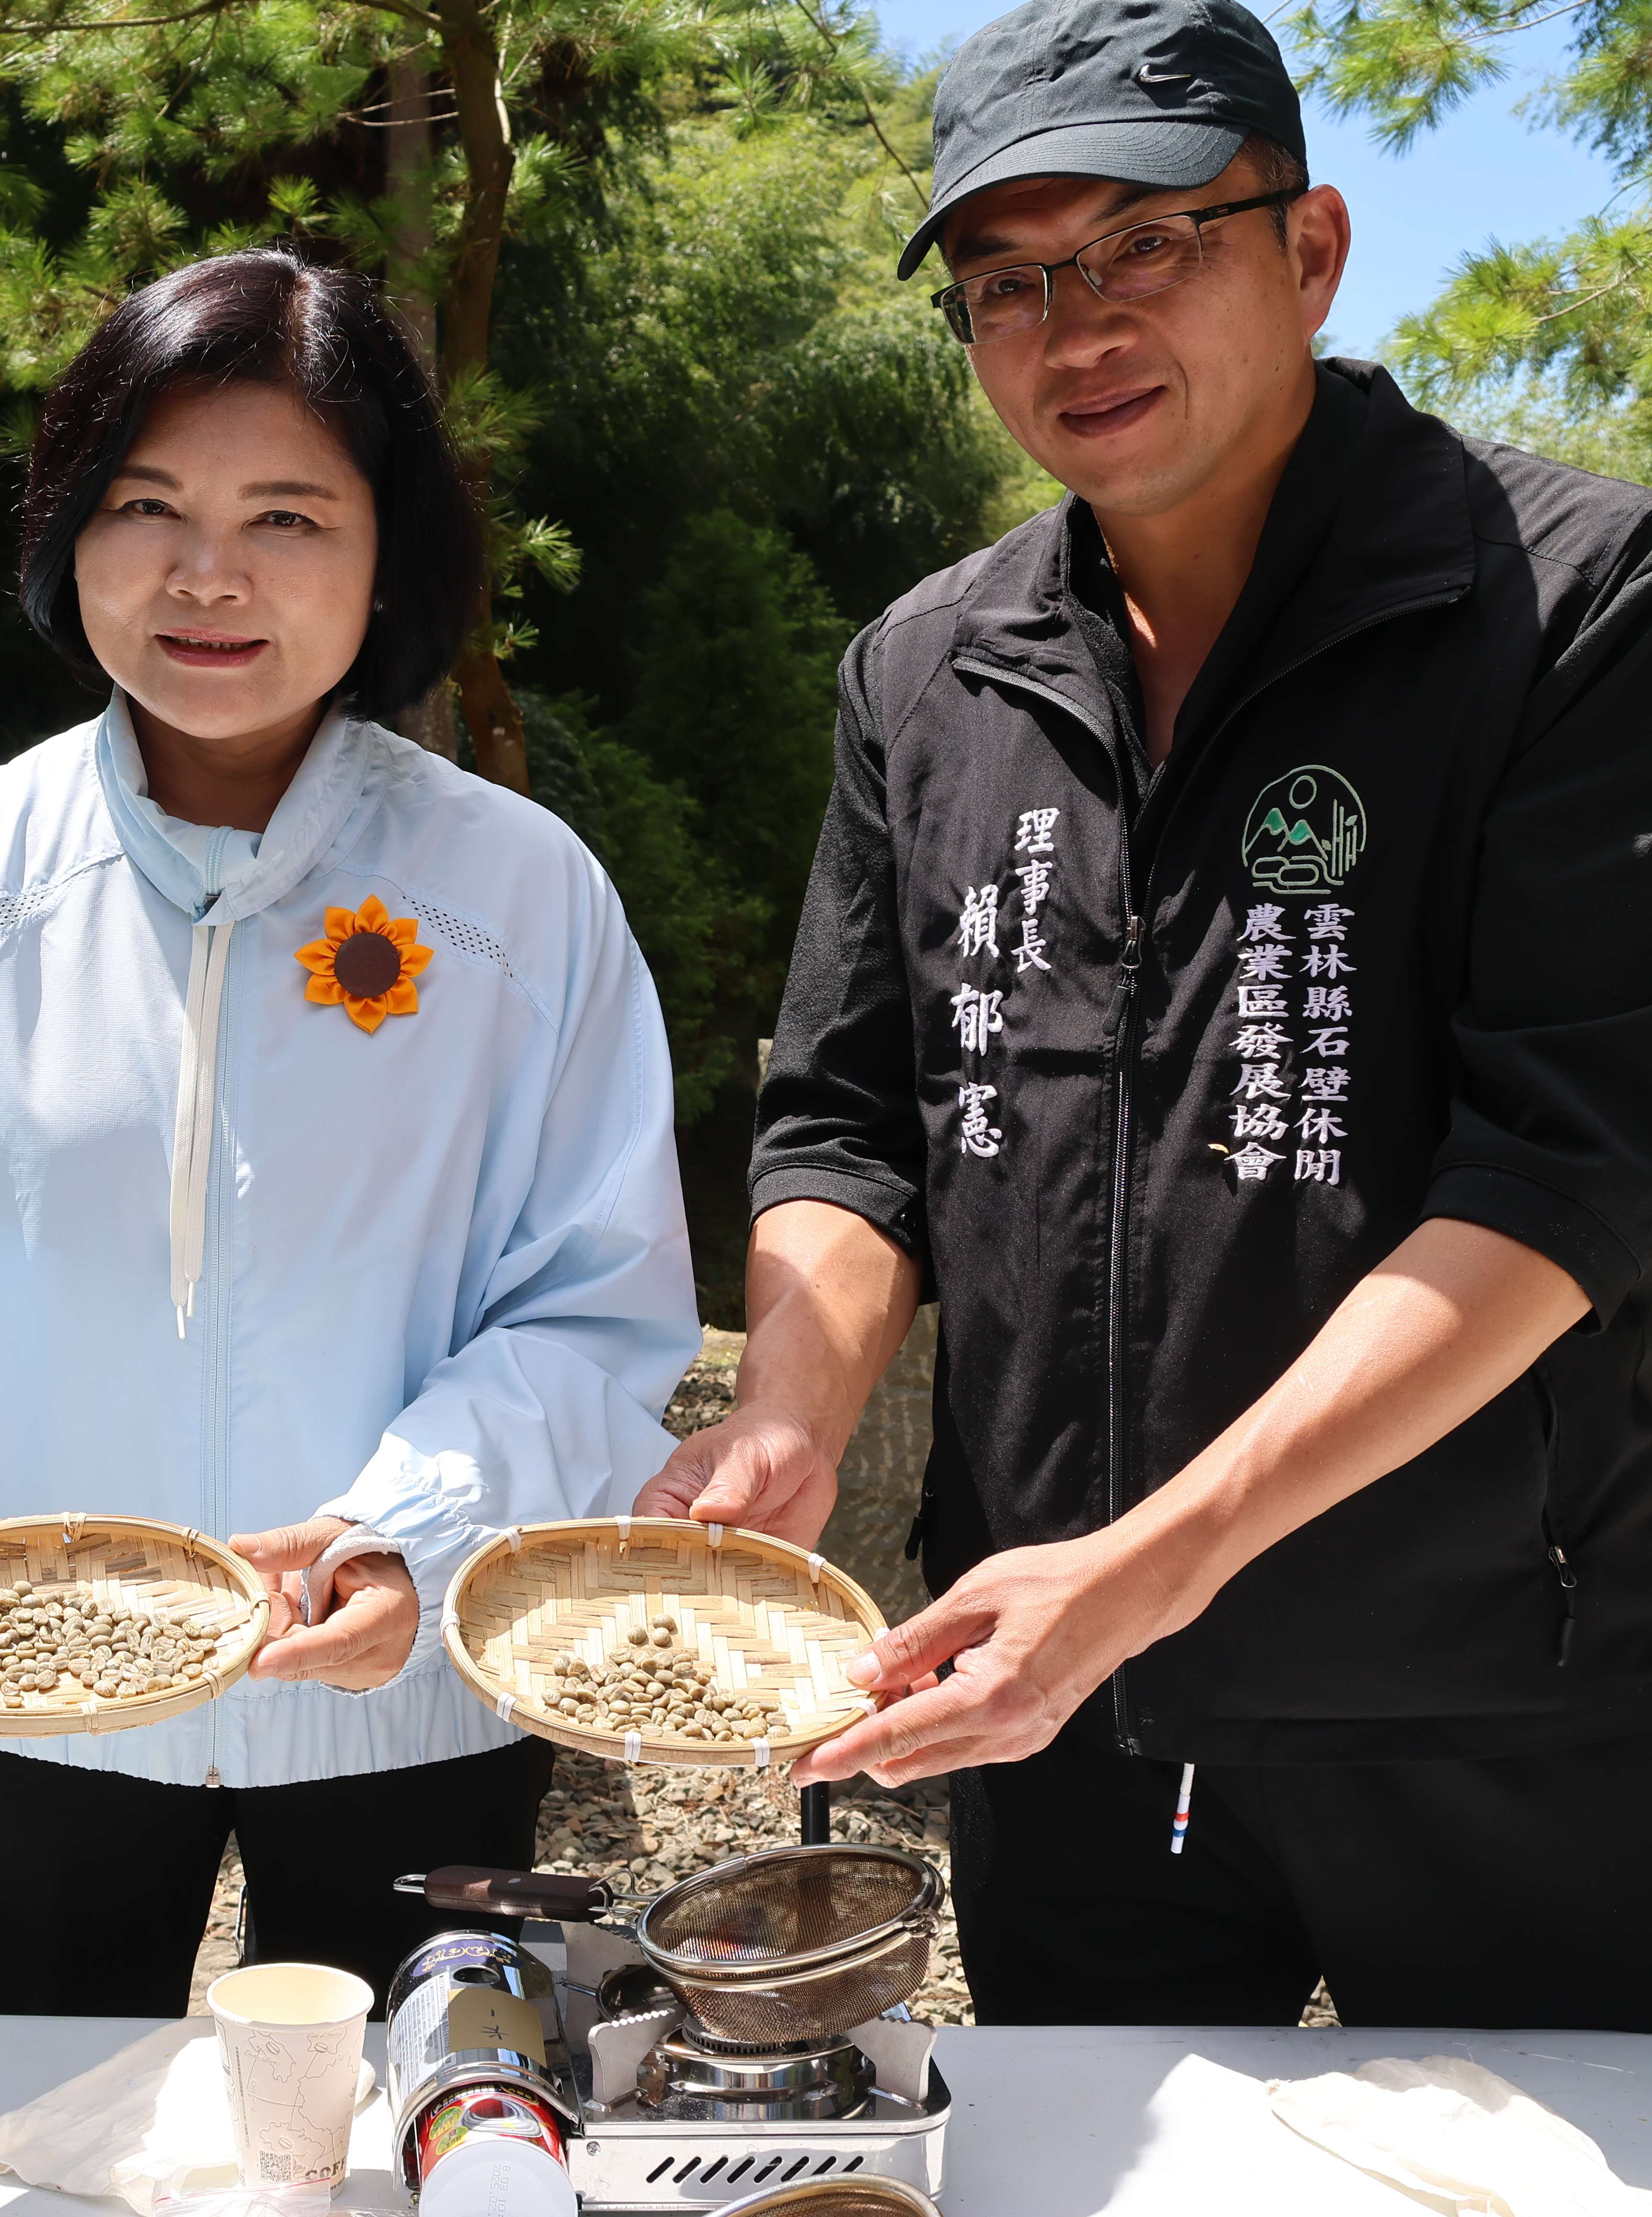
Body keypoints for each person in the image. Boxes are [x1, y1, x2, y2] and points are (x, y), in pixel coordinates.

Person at [636, 0, 1652, 2027]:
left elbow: (1568, 1175)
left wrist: (1153, 1564)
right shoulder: (926, 670)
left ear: (1313, 248)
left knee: (1541, 2166)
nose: (1075, 326)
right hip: (1061, 1707)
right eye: (1007, 282)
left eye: (1146, 245)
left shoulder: (1574, 601)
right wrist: (792, 1410)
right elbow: (852, 1124)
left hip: (1491, 1692)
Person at [0, 250, 701, 2017]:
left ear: (389, 551)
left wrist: (411, 1537)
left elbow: (589, 1310)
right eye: (147, 505)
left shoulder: (519, 898)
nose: (209, 576)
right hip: (35, 1682)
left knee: (398, 2116)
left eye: (288, 519)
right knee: (57, 2116)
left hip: (403, 1687)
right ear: (68, 533)